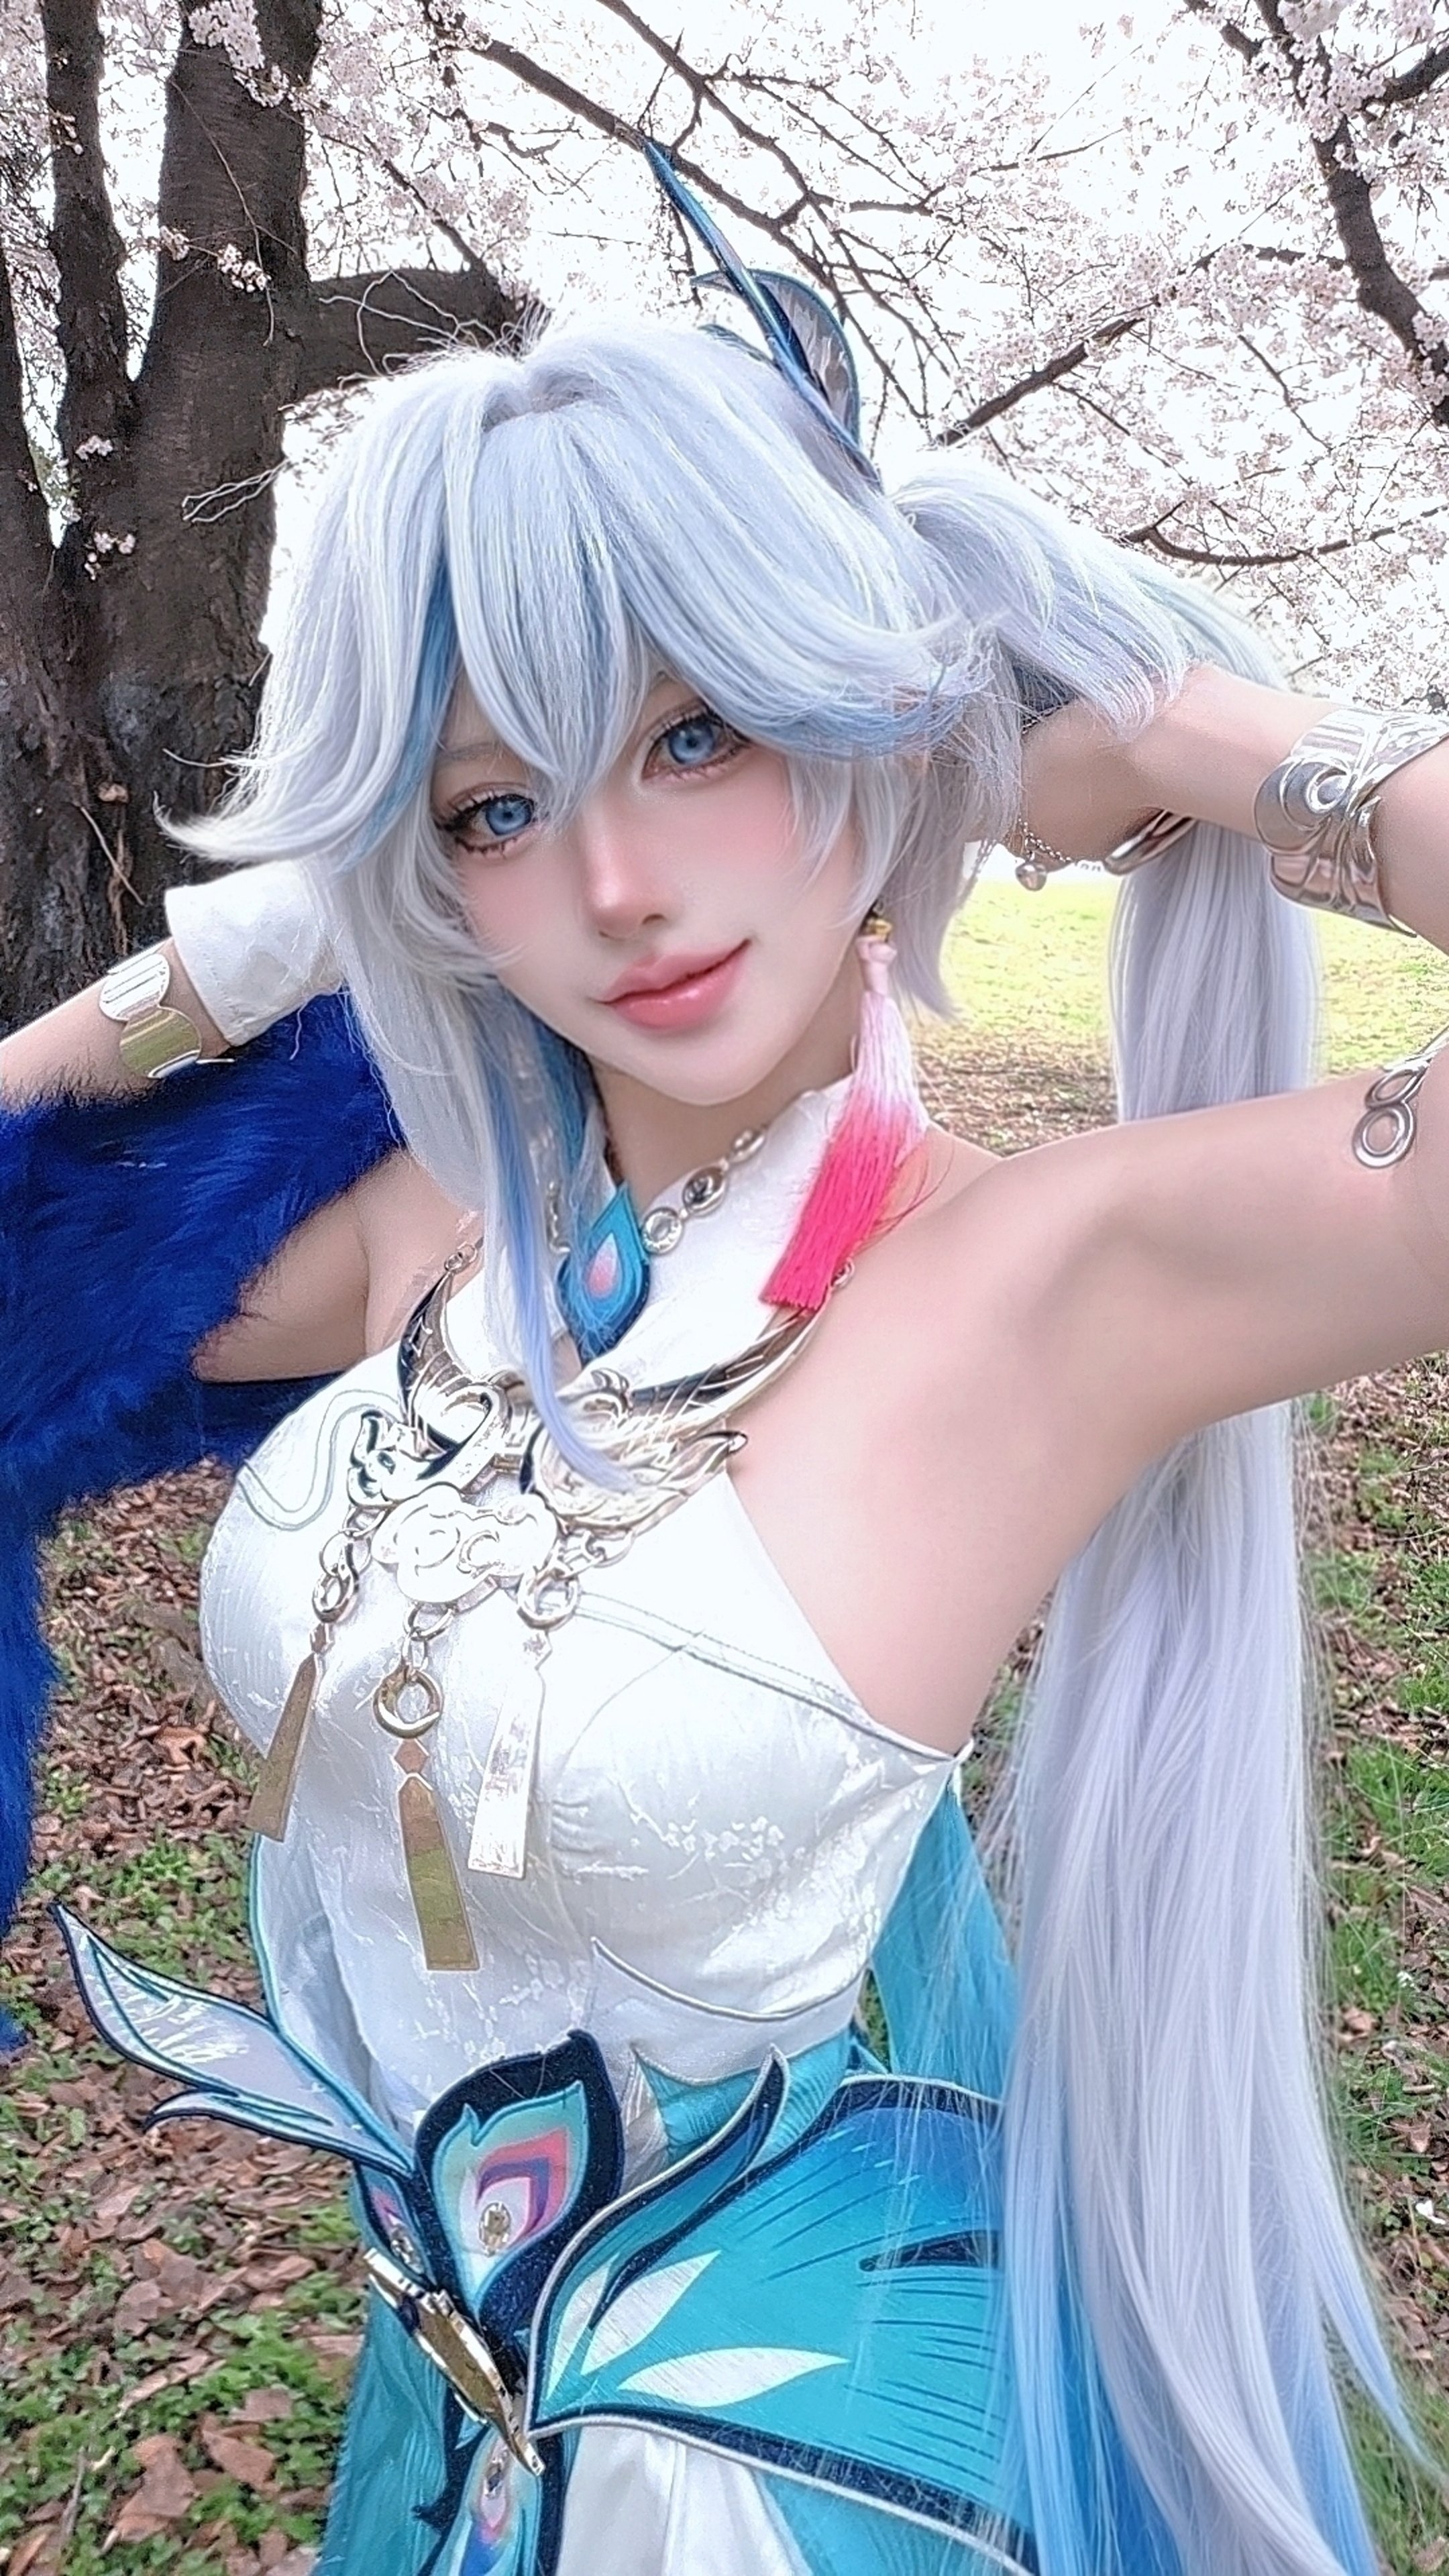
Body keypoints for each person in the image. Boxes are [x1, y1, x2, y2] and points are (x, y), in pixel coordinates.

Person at [3, 182, 1449, 2576]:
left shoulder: (1037, 1281)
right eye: (497, 805)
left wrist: (1195, 738)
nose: (618, 886)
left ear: (873, 717)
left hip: (783, 2490)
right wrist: (271, 933)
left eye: (699, 734)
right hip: (445, 2442)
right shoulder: (439, 1233)